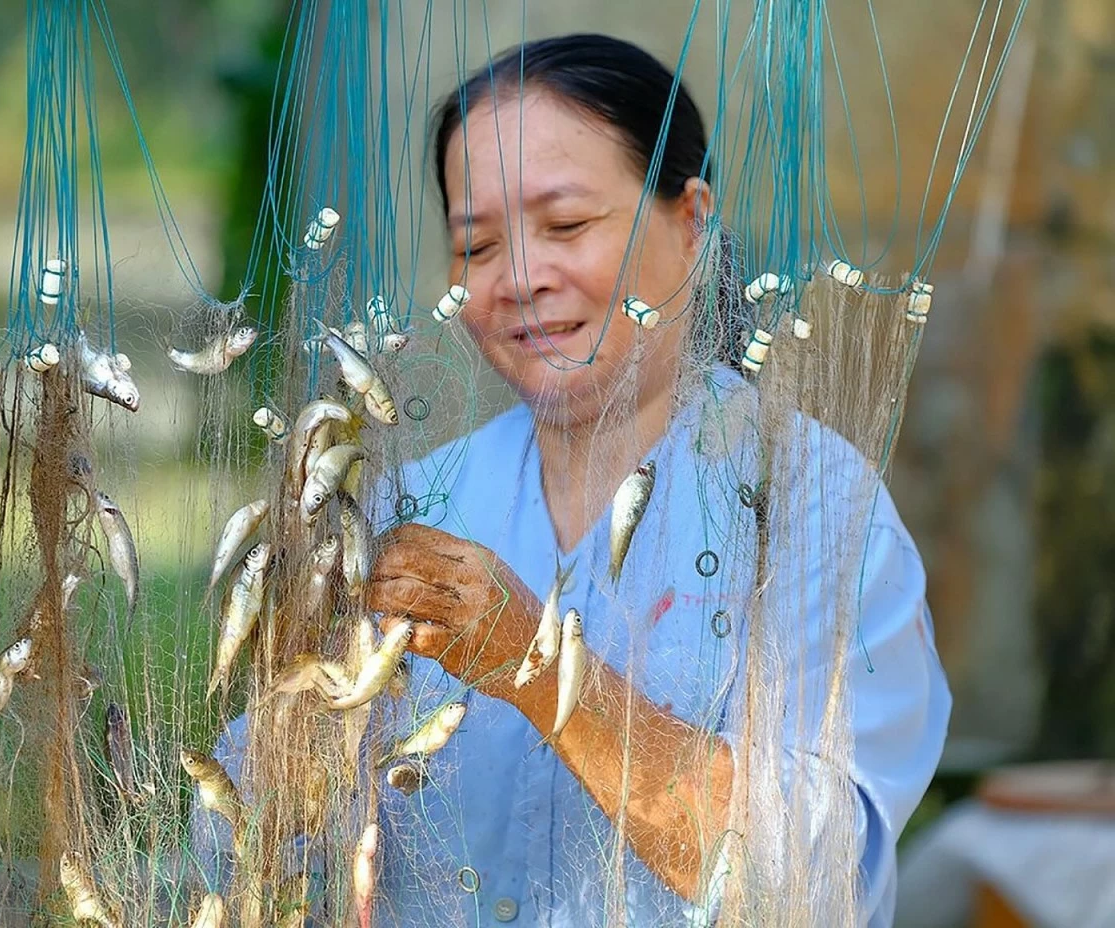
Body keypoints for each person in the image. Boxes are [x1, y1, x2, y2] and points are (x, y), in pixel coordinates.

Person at [198, 33, 950, 927]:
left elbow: (816, 884)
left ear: (691, 222)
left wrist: (539, 665)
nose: (520, 279)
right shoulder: (410, 505)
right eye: (478, 245)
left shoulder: (815, 509)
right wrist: (293, 743)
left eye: (565, 226)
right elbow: (243, 835)